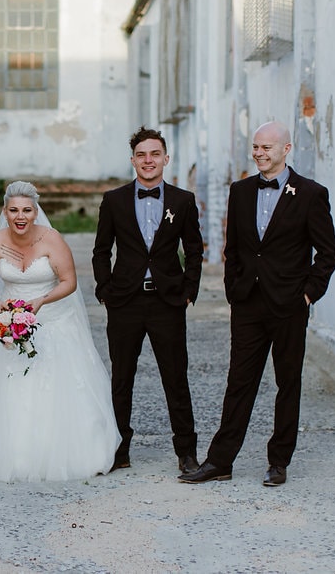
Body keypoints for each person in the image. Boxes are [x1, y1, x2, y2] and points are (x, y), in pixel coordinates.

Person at [180, 121, 335, 487]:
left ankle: (278, 461)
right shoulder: (241, 191)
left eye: (267, 147)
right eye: (256, 147)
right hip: (248, 303)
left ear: (286, 149)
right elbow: (232, 246)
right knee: (239, 382)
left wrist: (309, 293)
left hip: (289, 305)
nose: (260, 153)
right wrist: (233, 288)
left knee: (288, 383)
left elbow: (327, 253)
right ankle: (220, 461)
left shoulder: (312, 194)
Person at [0, 181, 120, 482]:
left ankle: (66, 452)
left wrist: (41, 301)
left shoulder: (52, 240)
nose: (20, 216)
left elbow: (68, 282)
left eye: (26, 210)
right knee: (9, 387)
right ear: (5, 211)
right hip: (10, 320)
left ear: (36, 211)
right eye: (13, 210)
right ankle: (14, 455)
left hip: (52, 319)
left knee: (55, 385)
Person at [92, 126, 203, 475]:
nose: (148, 160)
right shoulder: (114, 200)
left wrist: (188, 291)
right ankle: (119, 449)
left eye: (155, 154)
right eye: (141, 155)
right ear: (133, 161)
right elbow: (100, 250)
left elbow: (196, 251)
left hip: (167, 302)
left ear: (166, 159)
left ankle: (186, 452)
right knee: (121, 378)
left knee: (175, 378)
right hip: (124, 302)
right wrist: (105, 289)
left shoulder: (183, 201)